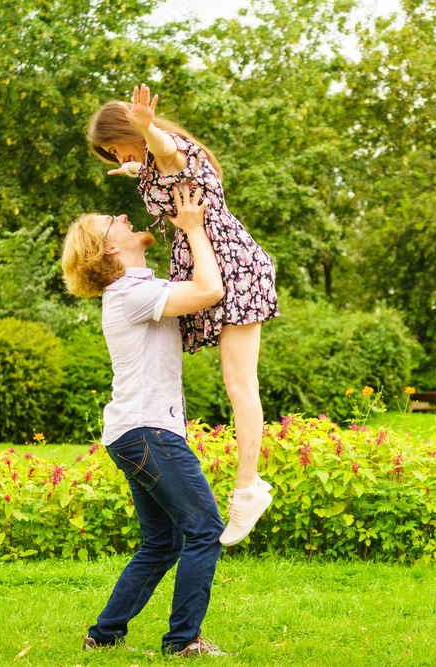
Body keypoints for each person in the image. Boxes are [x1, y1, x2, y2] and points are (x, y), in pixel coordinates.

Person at [86, 83, 276, 546]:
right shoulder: (153, 163)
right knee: (237, 382)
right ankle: (249, 488)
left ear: (131, 129)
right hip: (215, 260)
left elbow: (166, 149)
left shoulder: (168, 150)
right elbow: (154, 163)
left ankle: (248, 488)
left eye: (115, 146)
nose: (116, 156)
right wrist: (134, 167)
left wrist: (146, 130)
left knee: (239, 383)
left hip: (232, 265)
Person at [61, 183, 227, 657]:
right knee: (203, 528)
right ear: (110, 247)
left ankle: (104, 634)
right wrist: (193, 227)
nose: (124, 219)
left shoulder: (135, 289)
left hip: (135, 432)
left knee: (162, 543)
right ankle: (182, 643)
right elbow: (210, 290)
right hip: (148, 431)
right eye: (113, 221)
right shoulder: (130, 292)